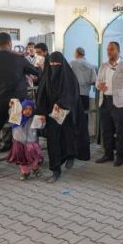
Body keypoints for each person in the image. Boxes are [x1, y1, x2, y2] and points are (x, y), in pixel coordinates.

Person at [0, 32, 40, 172]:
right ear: (10, 43)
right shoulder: (19, 59)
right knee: (21, 131)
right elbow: (36, 72)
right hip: (17, 103)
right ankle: (27, 161)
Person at [36, 52, 80, 180]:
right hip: (51, 115)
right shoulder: (47, 76)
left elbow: (72, 94)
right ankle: (55, 170)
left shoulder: (69, 77)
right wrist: (41, 112)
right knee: (53, 141)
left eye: (57, 64)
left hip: (66, 114)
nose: (54, 66)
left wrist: (61, 104)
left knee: (67, 138)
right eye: (52, 64)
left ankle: (70, 156)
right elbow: (41, 95)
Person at [70, 47, 97, 161]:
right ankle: (83, 146)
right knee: (84, 121)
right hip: (85, 94)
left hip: (74, 95)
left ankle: (74, 146)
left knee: (74, 121)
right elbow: (93, 80)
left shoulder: (72, 63)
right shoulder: (91, 65)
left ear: (77, 53)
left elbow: (68, 77)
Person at [8, 100, 44, 180]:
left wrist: (42, 121)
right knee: (22, 159)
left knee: (33, 158)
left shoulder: (34, 118)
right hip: (19, 142)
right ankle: (25, 172)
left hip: (31, 143)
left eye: (30, 109)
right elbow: (11, 112)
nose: (28, 111)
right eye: (25, 109)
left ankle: (35, 168)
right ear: (21, 109)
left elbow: (41, 127)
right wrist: (12, 106)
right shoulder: (17, 117)